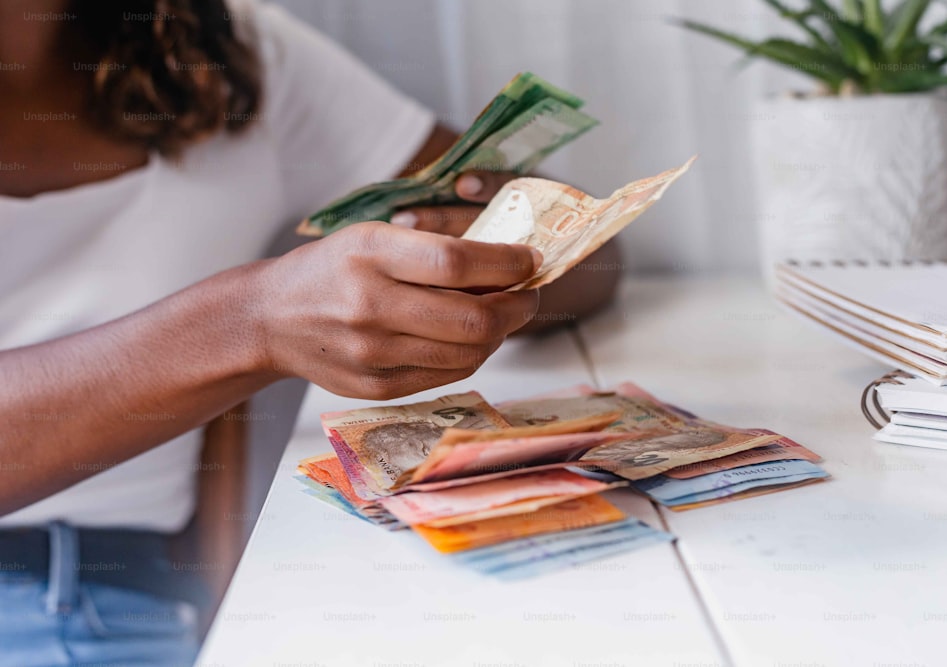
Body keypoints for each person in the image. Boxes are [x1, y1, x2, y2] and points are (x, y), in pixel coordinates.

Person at [0, 0, 622, 664]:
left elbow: (596, 260)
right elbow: (251, 321)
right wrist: (247, 324)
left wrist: (478, 253)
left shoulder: (229, 51)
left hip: (127, 594)